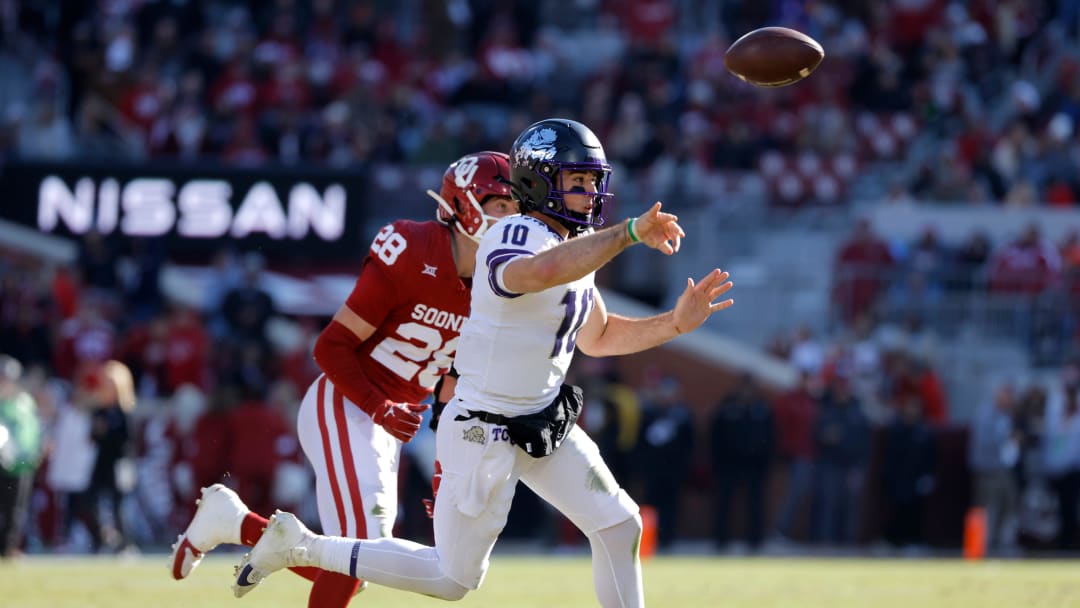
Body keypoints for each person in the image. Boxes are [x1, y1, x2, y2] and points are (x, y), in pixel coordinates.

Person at [231, 118, 734, 608]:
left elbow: (598, 337)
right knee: (451, 580)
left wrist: (673, 323)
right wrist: (625, 233)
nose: (590, 193)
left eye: (593, 181)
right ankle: (302, 546)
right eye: (576, 180)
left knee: (619, 523)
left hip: (542, 419)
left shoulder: (572, 246)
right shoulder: (513, 234)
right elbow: (538, 272)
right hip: (484, 428)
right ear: (538, 182)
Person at [168, 151, 520, 608]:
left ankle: (236, 524)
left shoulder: (500, 282)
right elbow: (329, 347)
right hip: (349, 402)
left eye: (517, 209)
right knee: (360, 550)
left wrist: (447, 465)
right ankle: (235, 524)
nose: (512, 221)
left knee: (361, 562)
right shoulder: (412, 249)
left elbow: (453, 385)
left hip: (393, 422)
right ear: (465, 206)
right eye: (502, 207)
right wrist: (380, 407)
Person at [0, 355, 43, 558]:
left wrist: (37, 450)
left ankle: (9, 548)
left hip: (22, 464)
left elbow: (34, 429)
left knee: (16, 509)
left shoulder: (25, 402)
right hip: (2, 463)